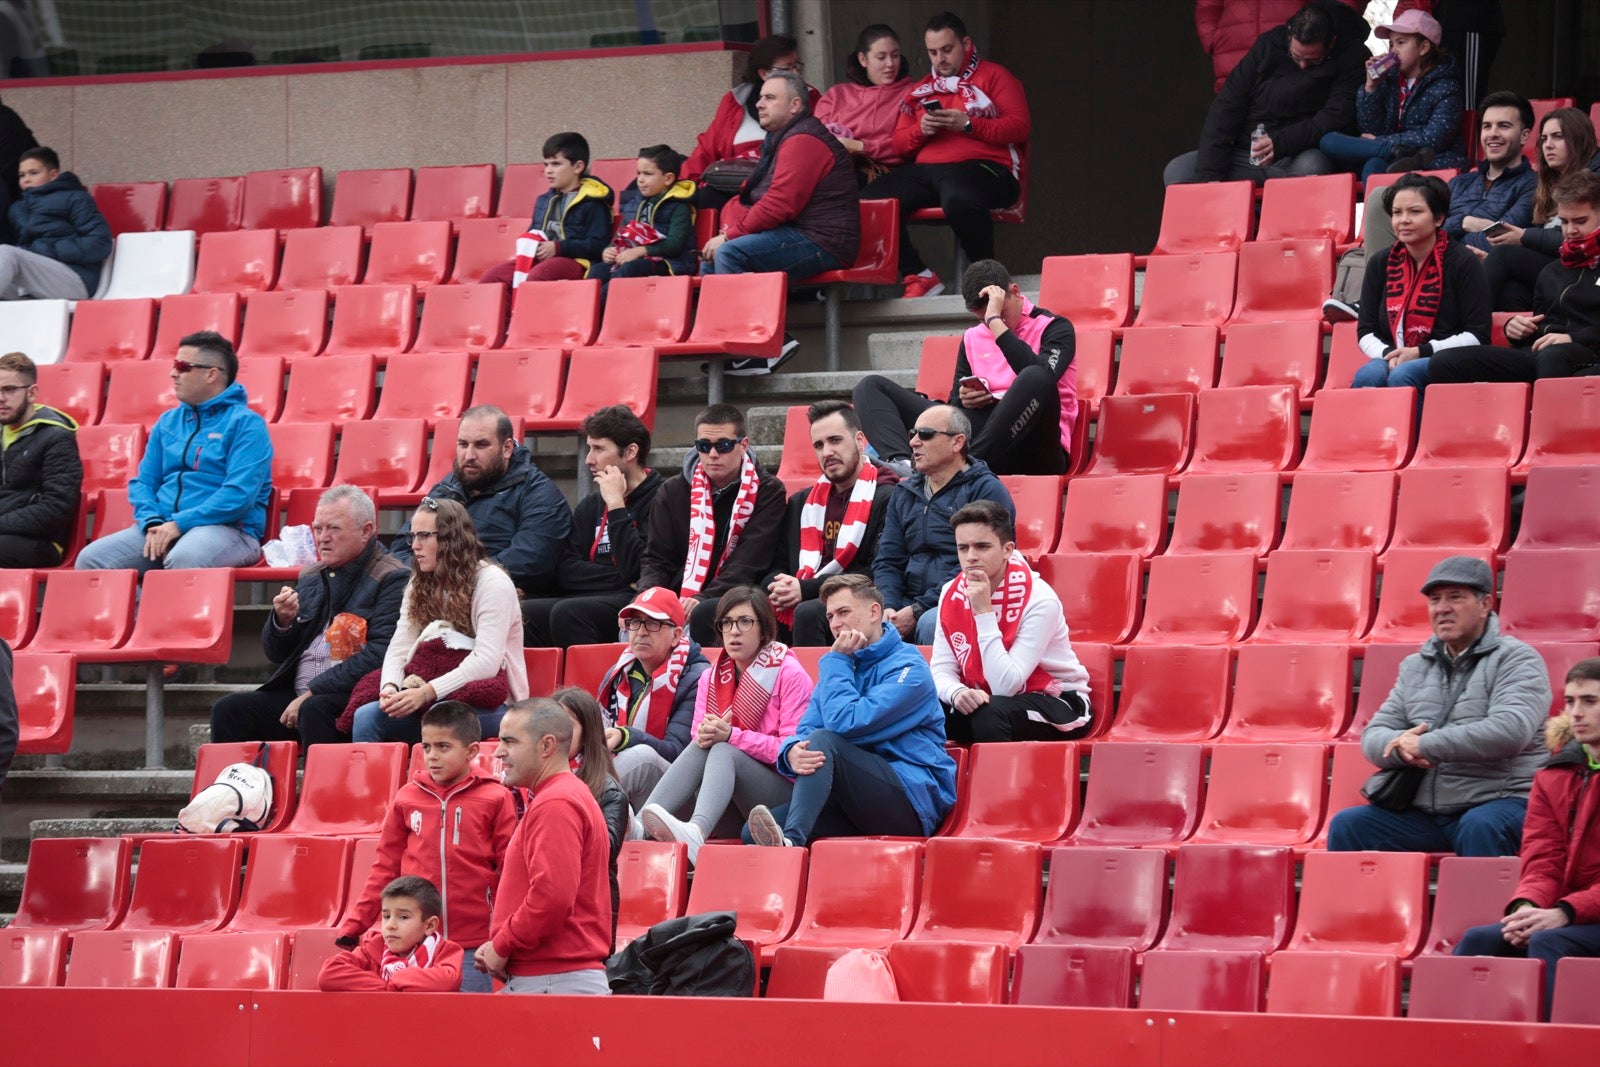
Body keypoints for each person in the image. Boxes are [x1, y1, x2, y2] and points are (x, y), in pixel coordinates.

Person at [1326, 555, 1549, 857]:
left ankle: (1482, 907)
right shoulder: (1415, 666)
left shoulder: (1517, 659)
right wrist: (1402, 745)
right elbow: (1373, 735)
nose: (1442, 608)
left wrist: (1424, 745)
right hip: (1429, 811)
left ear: (1485, 605)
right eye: (1435, 600)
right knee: (1349, 825)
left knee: (1481, 825)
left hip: (1502, 800)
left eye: (1455, 598)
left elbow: (1510, 731)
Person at [744, 574, 957, 847]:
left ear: (874, 612)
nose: (835, 623)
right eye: (830, 616)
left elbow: (847, 723)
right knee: (750, 835)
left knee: (823, 741)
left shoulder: (909, 668)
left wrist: (837, 661)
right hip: (854, 799)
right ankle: (788, 846)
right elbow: (805, 730)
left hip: (911, 797)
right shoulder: (841, 667)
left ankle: (792, 844)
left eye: (844, 612)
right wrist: (792, 751)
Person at [1453, 657, 1600, 1019]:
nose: (1576, 713)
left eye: (1590, 701)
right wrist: (1527, 908)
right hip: (1572, 913)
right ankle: (1453, 1046)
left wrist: (1565, 913)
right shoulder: (1553, 774)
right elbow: (1542, 859)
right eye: (1569, 701)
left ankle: (1549, 1050)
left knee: (1551, 941)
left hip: (1576, 915)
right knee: (1479, 939)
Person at [209, 485, 408, 747]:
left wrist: (315, 690)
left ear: (366, 530)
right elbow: (277, 654)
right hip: (300, 695)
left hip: (350, 695)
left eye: (333, 528)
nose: (322, 538)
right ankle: (235, 787)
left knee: (315, 709)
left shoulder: (393, 577)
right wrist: (282, 622)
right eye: (318, 528)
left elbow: (380, 653)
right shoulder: (310, 576)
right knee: (229, 711)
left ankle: (322, 788)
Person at [337, 702, 515, 993]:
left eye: (443, 747)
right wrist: (356, 923)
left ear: (471, 751)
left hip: (473, 945)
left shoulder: (496, 797)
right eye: (427, 747)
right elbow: (385, 867)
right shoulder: (407, 797)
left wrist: (503, 934)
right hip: (415, 944)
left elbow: (509, 870)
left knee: (467, 1028)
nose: (432, 756)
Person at [1324, 90, 1536, 322]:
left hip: (1475, 270)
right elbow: (1432, 225)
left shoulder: (1532, 185)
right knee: (1379, 198)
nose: (1493, 134)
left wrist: (1453, 235)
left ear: (1524, 136)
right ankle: (1380, 299)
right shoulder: (1461, 182)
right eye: (1487, 127)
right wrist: (1465, 223)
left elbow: (1501, 234)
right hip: (1433, 259)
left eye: (1503, 126)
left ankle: (1379, 303)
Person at [853, 259, 1077, 476]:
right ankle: (904, 465)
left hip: (1035, 445)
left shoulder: (1056, 328)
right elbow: (954, 407)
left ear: (1016, 292)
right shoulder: (972, 337)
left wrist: (995, 323)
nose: (988, 324)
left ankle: (963, 469)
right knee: (870, 386)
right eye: (982, 320)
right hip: (982, 437)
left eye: (999, 313)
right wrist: (964, 398)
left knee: (1036, 376)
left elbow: (1044, 380)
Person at [862, 11, 1030, 299]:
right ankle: (919, 275)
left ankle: (988, 279)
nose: (940, 58)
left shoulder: (995, 76)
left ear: (965, 43)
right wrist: (921, 130)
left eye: (947, 49)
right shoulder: (922, 89)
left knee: (958, 195)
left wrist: (967, 124)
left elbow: (1019, 127)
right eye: (932, 52)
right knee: (866, 202)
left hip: (988, 169)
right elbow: (900, 144)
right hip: (930, 173)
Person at [638, 587, 812, 864]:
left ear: (764, 630)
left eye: (745, 622)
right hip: (726, 799)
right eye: (727, 623)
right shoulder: (711, 676)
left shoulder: (790, 674)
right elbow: (698, 735)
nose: (734, 631)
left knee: (723, 748)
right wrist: (715, 734)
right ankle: (638, 826)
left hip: (777, 796)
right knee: (706, 742)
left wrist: (732, 735)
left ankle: (697, 831)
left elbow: (792, 752)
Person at [701, 69, 858, 374]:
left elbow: (780, 204)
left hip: (824, 240)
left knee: (730, 253)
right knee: (710, 263)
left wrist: (732, 235)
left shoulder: (804, 140)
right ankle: (736, 346)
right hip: (798, 233)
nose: (759, 103)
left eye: (770, 98)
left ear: (795, 105)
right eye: (760, 97)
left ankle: (769, 345)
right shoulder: (783, 137)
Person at [76, 331, 271, 572]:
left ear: (212, 374)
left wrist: (180, 523)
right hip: (165, 526)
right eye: (174, 365)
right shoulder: (167, 422)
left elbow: (238, 496)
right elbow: (143, 483)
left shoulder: (247, 424)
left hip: (230, 530)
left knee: (185, 558)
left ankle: (163, 609)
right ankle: (143, 610)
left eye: (182, 366)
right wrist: (153, 522)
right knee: (91, 560)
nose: (173, 373)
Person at [349, 498, 528, 745]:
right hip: (429, 694)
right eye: (412, 537)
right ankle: (375, 783)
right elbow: (401, 644)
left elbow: (486, 661)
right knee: (367, 716)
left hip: (494, 703)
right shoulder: (418, 582)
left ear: (451, 539)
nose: (415, 545)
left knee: (442, 717)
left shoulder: (492, 582)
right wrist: (391, 687)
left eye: (424, 536)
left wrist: (426, 693)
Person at [477, 698, 612, 995]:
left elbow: (551, 899)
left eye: (510, 742)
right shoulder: (560, 796)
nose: (499, 752)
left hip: (553, 982)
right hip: (553, 981)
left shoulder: (557, 803)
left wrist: (502, 945)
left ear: (547, 746)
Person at [932, 501, 1092, 744]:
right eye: (963, 548)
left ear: (1007, 549)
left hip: (1059, 701)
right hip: (988, 698)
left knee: (989, 712)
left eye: (982, 546)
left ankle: (994, 782)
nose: (971, 557)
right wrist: (957, 693)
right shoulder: (950, 593)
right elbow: (942, 669)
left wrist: (984, 612)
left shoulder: (1040, 599)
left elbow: (1005, 686)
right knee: (918, 708)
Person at [1164, 1, 1369, 186]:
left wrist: (1280, 143)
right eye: (1296, 57)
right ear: (1289, 34)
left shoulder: (1352, 56)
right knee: (1178, 171)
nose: (1303, 66)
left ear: (1331, 42)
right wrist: (1210, 178)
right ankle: (1242, 221)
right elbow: (1227, 107)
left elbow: (1335, 117)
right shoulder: (1268, 45)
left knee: (1312, 167)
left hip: (1297, 153)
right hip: (1246, 153)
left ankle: (1276, 224)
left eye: (1314, 61)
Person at [1428, 170, 1600, 383]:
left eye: (1581, 221)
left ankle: (1546, 416)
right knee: (1444, 362)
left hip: (1589, 355)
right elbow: (1543, 325)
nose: (1570, 230)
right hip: (1543, 354)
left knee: (1553, 356)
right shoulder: (1551, 271)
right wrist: (1516, 329)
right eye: (1564, 222)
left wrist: (1573, 338)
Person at [638, 403, 787, 647]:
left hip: (738, 592)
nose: (713, 454)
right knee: (637, 615)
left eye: (724, 446)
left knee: (704, 612)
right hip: (680, 594)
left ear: (744, 445)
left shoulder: (768, 490)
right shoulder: (672, 490)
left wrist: (703, 597)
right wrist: (649, 597)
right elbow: (656, 559)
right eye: (704, 446)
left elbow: (749, 561)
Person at [390, 406, 572, 598]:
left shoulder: (539, 493)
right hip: (438, 594)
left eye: (481, 445)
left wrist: (455, 581)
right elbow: (402, 548)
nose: (469, 456)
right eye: (463, 444)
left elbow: (530, 561)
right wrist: (436, 581)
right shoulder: (446, 488)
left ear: (507, 448)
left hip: (498, 600)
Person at [871, 404, 1015, 646]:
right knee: (848, 615)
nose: (914, 442)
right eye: (912, 434)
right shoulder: (904, 492)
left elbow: (981, 564)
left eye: (925, 434)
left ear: (957, 442)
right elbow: (888, 559)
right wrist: (890, 606)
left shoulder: (985, 489)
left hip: (964, 598)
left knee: (931, 622)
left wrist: (918, 609)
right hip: (905, 602)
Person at [522, 405, 665, 649]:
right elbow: (567, 570)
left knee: (568, 612)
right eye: (589, 448)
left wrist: (617, 504)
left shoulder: (662, 499)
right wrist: (619, 578)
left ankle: (592, 687)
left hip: (638, 601)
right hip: (604, 593)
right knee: (520, 614)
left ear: (630, 451)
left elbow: (640, 570)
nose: (589, 459)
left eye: (598, 449)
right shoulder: (591, 504)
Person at [766, 400, 898, 647]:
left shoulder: (887, 497)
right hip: (801, 592)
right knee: (733, 609)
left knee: (807, 612)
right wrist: (779, 586)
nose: (826, 452)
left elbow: (875, 571)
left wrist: (805, 589)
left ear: (860, 441)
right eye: (819, 445)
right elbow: (777, 564)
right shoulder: (801, 503)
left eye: (835, 440)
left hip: (856, 597)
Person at [1347, 173, 1491, 392]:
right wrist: (1390, 354)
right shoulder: (1380, 263)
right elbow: (1366, 330)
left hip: (1447, 358)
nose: (1403, 219)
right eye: (1397, 213)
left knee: (1403, 376)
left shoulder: (1463, 261)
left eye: (1415, 211)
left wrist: (1420, 352)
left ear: (1439, 218)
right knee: (1369, 374)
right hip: (1393, 354)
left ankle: (1412, 427)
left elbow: (1477, 335)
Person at [591, 586, 711, 809]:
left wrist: (625, 736)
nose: (641, 632)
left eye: (653, 623)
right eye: (635, 622)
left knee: (642, 758)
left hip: (681, 795)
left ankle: (575, 808)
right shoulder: (619, 672)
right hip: (625, 787)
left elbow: (678, 753)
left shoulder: (697, 677)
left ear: (676, 635)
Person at [1318, 8, 1465, 182]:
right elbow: (1369, 130)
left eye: (1401, 43)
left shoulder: (1446, 84)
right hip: (1393, 157)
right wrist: (1371, 87)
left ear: (1424, 47)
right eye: (1391, 44)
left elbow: (1434, 137)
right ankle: (1389, 153)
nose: (1393, 51)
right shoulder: (1389, 79)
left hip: (1432, 159)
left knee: (1375, 162)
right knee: (1329, 141)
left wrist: (1382, 142)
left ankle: (1387, 151)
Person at [682, 34, 819, 207]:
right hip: (733, 185)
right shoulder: (735, 100)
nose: (795, 74)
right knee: (693, 201)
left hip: (785, 185)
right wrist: (682, 185)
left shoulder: (812, 98)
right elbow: (707, 148)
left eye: (796, 66)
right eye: (787, 68)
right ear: (763, 73)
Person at [1483, 107, 1600, 311]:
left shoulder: (1595, 179)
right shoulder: (1547, 182)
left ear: (1579, 139)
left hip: (1587, 269)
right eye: (1544, 139)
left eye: (1557, 137)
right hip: (1554, 268)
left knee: (1503, 256)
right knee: (1512, 292)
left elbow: (1574, 236)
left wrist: (1523, 237)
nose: (1548, 145)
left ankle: (1466, 327)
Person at [480, 132, 614, 286]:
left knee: (538, 277)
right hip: (540, 260)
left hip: (577, 262)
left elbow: (598, 245)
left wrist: (559, 247)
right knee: (492, 277)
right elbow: (534, 232)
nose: (548, 170)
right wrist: (530, 242)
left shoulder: (594, 202)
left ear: (578, 167)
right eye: (546, 164)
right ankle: (510, 311)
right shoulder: (543, 201)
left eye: (556, 164)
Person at [550, 687, 628, 948]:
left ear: (587, 732)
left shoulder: (608, 791)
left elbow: (601, 854)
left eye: (567, 725)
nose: (557, 733)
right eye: (551, 723)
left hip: (587, 914)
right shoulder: (527, 785)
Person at [0, 351, 80, 568]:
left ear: (32, 393)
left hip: (41, 542)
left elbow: (56, 508)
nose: (1, 398)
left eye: (9, 389)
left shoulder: (57, 437)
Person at [318, 875, 464, 993]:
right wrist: (385, 987)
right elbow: (329, 973)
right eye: (386, 916)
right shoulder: (372, 949)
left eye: (403, 917)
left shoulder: (445, 951)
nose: (391, 926)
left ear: (430, 925)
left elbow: (448, 980)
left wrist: (397, 978)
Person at [1, 146, 111, 300]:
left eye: (33, 173)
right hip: (34, 282)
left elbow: (100, 243)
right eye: (21, 175)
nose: (26, 179)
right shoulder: (17, 209)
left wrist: (48, 250)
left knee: (6, 252)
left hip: (75, 278)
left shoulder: (76, 198)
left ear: (53, 175)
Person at [587, 145, 698, 293]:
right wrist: (609, 250)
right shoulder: (633, 205)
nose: (640, 179)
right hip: (635, 258)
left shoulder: (679, 206)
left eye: (648, 174)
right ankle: (592, 311)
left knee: (629, 270)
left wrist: (641, 251)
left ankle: (598, 311)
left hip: (670, 262)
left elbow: (674, 245)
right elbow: (619, 236)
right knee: (597, 271)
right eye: (638, 173)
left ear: (668, 178)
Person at [1194, 0, 1366, 93]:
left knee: (1294, 127)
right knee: (1233, 120)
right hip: (1234, 46)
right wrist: (1210, 36)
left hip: (1296, 46)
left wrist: (1334, 30)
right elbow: (1208, 5)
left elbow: (1341, 7)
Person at [815, 23, 912, 184]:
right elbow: (816, 141)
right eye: (881, 57)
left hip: (887, 176)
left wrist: (860, 146)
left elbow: (908, 144)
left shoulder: (911, 93)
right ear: (862, 59)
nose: (890, 64)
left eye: (895, 56)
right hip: (835, 170)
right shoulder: (835, 95)